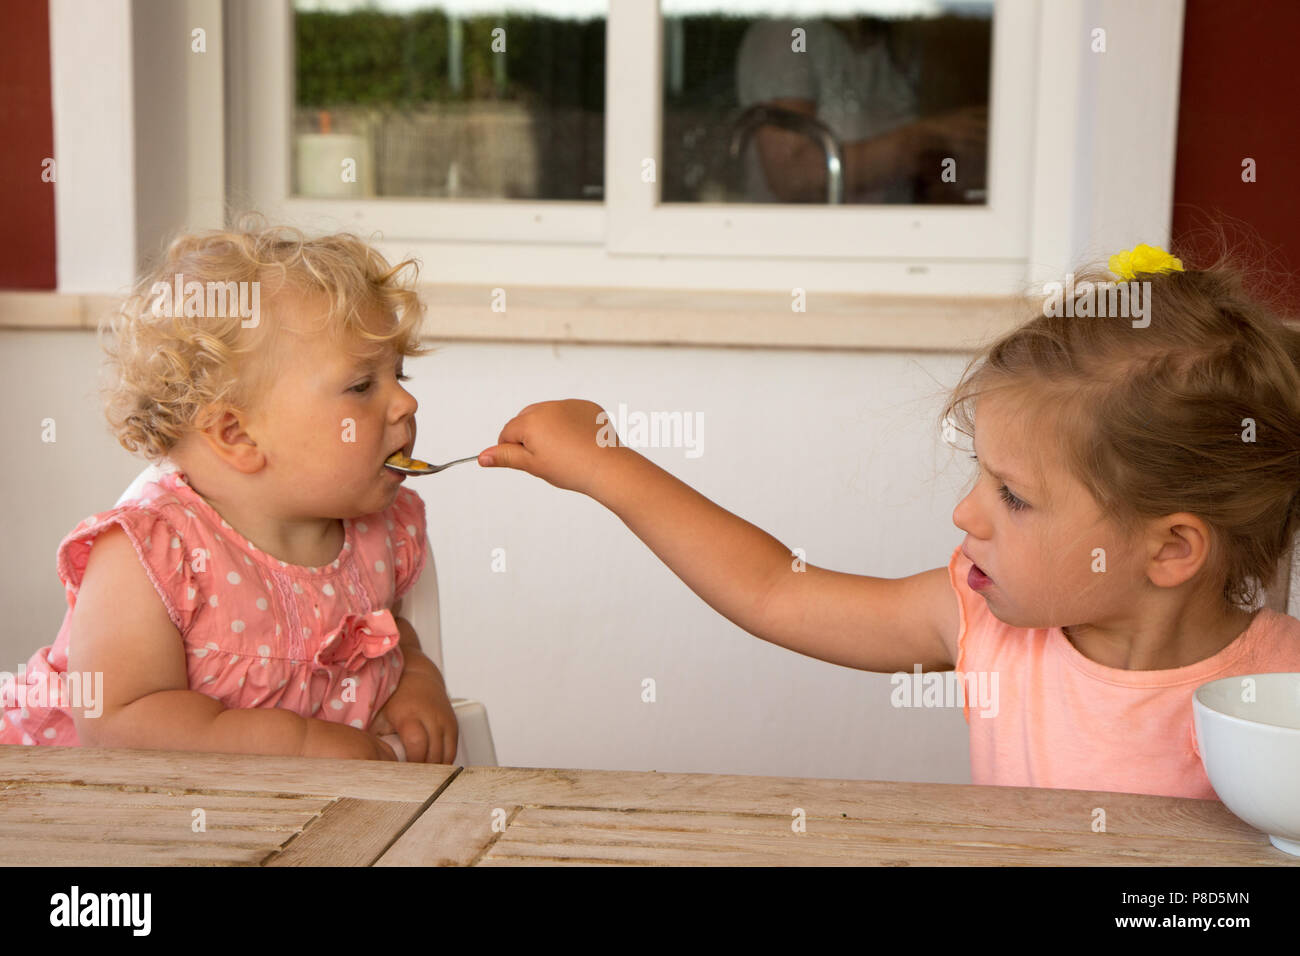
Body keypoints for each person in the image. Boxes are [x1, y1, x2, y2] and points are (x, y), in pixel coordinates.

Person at [476, 243, 1300, 799]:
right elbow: (772, 591)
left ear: (1171, 549)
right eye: (981, 473)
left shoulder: (1284, 692)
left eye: (1013, 497)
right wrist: (605, 463)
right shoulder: (981, 623)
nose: (965, 513)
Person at [0, 215, 457, 763]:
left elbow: (388, 634)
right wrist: (300, 745)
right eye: (362, 385)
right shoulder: (152, 554)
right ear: (238, 434)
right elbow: (119, 723)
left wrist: (417, 679)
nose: (406, 404)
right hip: (80, 814)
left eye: (398, 376)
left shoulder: (383, 532)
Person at [735, 16, 988, 203]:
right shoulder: (787, 31)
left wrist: (949, 173)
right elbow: (793, 176)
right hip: (805, 250)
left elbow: (918, 173)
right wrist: (920, 140)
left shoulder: (894, 43)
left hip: (888, 243)